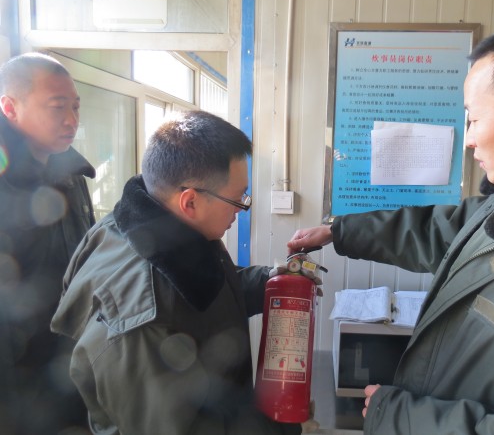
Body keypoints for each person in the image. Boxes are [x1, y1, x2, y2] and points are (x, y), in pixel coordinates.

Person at [287, 12, 494, 434]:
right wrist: (338, 231)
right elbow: (439, 230)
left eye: (473, 119)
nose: (468, 139)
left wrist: (395, 415)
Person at [50, 110, 312, 434]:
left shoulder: (145, 230)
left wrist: (271, 281)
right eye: (237, 200)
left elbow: (205, 294)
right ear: (190, 202)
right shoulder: (143, 320)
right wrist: (278, 427)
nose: (241, 210)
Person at [0, 52, 95, 433]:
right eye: (57, 107)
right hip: (17, 384)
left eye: (76, 106)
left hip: (71, 365)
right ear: (10, 108)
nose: (71, 120)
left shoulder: (72, 174)